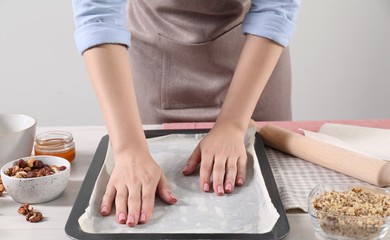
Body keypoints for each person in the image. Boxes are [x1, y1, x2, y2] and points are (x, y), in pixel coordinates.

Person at [72, 0, 300, 227]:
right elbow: (99, 13)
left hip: (255, 57)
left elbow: (276, 6)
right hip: (157, 56)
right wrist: (128, 149)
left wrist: (234, 124)